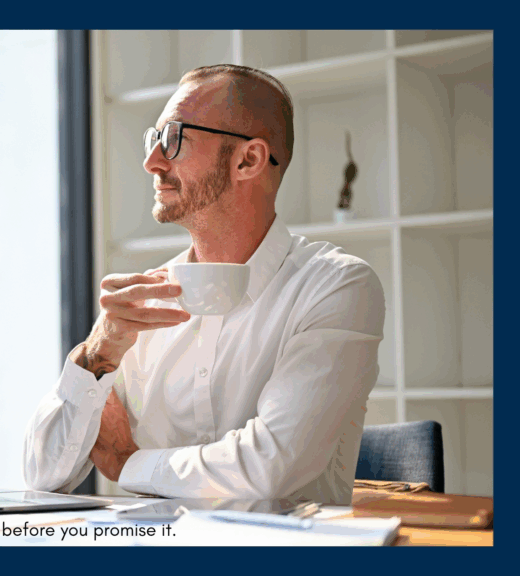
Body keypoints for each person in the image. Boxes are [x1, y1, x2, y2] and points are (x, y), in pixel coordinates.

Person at [23, 64, 384, 505]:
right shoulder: (140, 305)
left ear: (248, 160)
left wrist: (128, 463)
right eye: (154, 139)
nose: (152, 161)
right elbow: (43, 476)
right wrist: (97, 354)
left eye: (174, 138)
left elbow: (270, 466)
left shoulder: (336, 286)